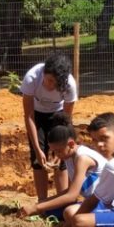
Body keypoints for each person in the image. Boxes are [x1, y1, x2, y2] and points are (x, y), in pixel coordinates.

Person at [17, 112, 107, 227]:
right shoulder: (70, 157)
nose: (56, 155)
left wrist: (36, 207)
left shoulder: (83, 158)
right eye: (54, 151)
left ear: (70, 144)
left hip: (108, 205)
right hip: (92, 203)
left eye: (58, 151)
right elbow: (69, 191)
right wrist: (42, 203)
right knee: (49, 210)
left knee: (69, 212)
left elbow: (72, 196)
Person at [21, 54, 78, 201]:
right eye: (49, 80)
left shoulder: (69, 85)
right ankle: (42, 202)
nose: (51, 85)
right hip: (36, 114)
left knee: (62, 157)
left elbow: (66, 120)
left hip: (58, 115)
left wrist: (60, 149)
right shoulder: (32, 78)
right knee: (38, 160)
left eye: (56, 83)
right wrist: (38, 149)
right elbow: (29, 116)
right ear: (43, 73)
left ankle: (63, 201)